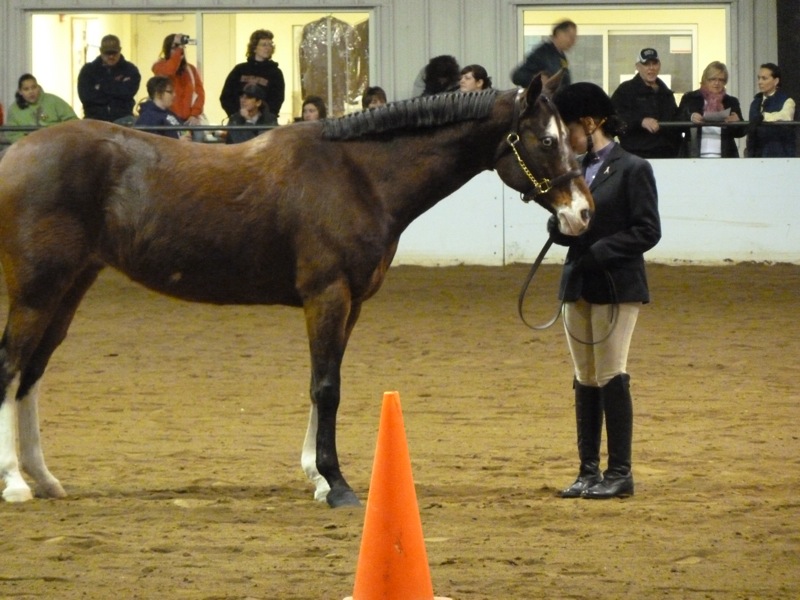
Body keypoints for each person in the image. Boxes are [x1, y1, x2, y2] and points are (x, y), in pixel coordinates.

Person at [547, 82, 661, 500]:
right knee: (585, 378)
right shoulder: (573, 172)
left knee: (612, 374)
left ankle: (620, 472)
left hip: (616, 284)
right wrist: (556, 226)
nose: (565, 138)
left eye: (569, 129)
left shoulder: (633, 168)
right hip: (577, 282)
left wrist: (603, 250)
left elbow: (648, 230)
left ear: (590, 123)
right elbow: (570, 224)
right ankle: (587, 470)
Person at [611, 48, 681, 159]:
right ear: (637, 67)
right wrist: (640, 121)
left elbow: (676, 119)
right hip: (635, 155)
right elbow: (614, 117)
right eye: (646, 64)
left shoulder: (666, 93)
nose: (651, 68)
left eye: (654, 63)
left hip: (666, 156)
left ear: (659, 65)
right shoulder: (626, 90)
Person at [677, 61, 746, 158]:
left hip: (725, 156)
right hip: (695, 156)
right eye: (712, 79)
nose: (716, 83)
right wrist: (691, 117)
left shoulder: (731, 101)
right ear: (705, 80)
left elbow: (741, 132)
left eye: (721, 80)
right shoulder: (690, 98)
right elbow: (677, 123)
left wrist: (736, 122)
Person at [220, 29, 285, 119]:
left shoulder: (275, 73)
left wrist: (264, 117)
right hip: (239, 119)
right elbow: (226, 96)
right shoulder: (240, 69)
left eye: (270, 44)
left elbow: (277, 100)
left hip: (264, 121)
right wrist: (236, 115)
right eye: (263, 45)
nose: (268, 48)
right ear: (254, 48)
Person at [77, 34, 141, 123]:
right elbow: (86, 97)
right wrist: (117, 88)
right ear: (101, 51)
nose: (111, 56)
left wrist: (100, 87)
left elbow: (128, 93)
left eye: (114, 53)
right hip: (94, 118)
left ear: (120, 50)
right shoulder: (88, 70)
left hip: (123, 118)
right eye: (107, 53)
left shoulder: (130, 69)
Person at [152, 33, 205, 129]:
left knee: (199, 136)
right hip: (167, 118)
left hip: (189, 120)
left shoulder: (190, 69)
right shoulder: (159, 66)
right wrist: (178, 51)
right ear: (167, 50)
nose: (179, 50)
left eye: (181, 47)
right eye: (174, 47)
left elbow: (200, 94)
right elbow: (169, 70)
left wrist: (194, 114)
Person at [5, 73, 77, 143]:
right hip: (28, 148)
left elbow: (73, 120)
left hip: (56, 143)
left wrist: (59, 134)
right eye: (26, 89)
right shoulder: (14, 110)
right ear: (20, 92)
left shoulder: (53, 100)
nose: (31, 92)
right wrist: (29, 141)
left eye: (34, 87)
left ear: (38, 87)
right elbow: (12, 134)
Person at [745, 63, 796, 157]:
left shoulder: (787, 101)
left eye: (764, 78)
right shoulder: (755, 103)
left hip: (780, 154)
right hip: (757, 155)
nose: (760, 82)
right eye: (759, 78)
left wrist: (764, 117)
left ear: (776, 81)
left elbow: (786, 116)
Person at [511, 19, 577, 90]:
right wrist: (536, 81)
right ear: (558, 33)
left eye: (574, 38)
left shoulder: (561, 56)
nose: (573, 41)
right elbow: (518, 75)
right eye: (570, 36)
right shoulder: (542, 53)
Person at [135, 76, 191, 141]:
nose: (174, 94)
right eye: (170, 92)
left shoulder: (170, 113)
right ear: (158, 94)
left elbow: (183, 130)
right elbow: (150, 144)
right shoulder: (147, 118)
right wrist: (177, 141)